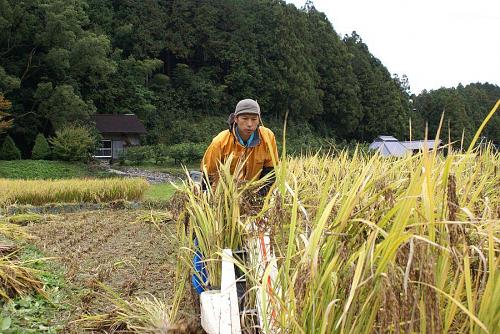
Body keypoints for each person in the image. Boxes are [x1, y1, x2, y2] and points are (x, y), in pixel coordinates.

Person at [201, 98, 279, 192]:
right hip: (224, 195)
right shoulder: (220, 142)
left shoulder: (267, 137)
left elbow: (271, 172)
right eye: (245, 118)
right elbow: (207, 174)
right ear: (236, 119)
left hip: (253, 194)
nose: (249, 124)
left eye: (254, 119)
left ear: (259, 120)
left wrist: (259, 197)